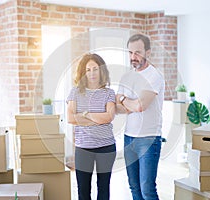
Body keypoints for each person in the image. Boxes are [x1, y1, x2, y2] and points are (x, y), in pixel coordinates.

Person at [116, 33, 165, 200]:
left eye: (137, 52)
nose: (133, 57)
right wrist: (128, 103)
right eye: (130, 53)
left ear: (148, 52)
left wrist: (124, 99)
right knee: (134, 186)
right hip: (129, 138)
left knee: (147, 189)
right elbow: (118, 109)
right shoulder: (126, 76)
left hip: (149, 139)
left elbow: (140, 106)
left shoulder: (154, 76)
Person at [66, 53, 116, 200]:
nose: (92, 73)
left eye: (95, 69)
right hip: (83, 148)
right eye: (88, 70)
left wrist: (85, 114)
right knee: (83, 191)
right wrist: (98, 119)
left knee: (103, 190)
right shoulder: (75, 92)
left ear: (101, 70)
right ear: (83, 72)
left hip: (106, 147)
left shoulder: (109, 93)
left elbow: (109, 117)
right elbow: (70, 118)